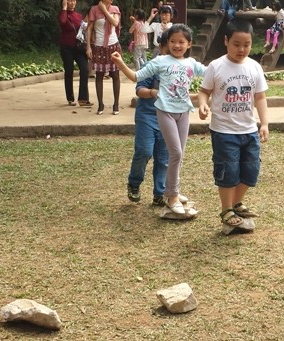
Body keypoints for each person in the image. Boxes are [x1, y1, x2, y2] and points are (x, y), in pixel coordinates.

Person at [111, 24, 206, 215]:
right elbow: (136, 77)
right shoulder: (160, 61)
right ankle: (171, 196)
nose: (177, 45)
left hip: (184, 113)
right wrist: (121, 63)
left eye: (181, 42)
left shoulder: (191, 63)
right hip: (165, 112)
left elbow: (212, 73)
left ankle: (172, 192)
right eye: (173, 41)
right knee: (175, 153)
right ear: (166, 43)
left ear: (189, 44)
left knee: (177, 156)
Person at [197, 19, 270, 233]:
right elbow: (204, 92)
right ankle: (226, 209)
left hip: (248, 130)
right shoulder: (216, 66)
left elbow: (260, 97)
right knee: (228, 171)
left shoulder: (254, 67)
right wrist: (203, 105)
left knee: (251, 170)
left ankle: (236, 203)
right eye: (236, 44)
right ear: (226, 41)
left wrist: (264, 123)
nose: (242, 49)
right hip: (223, 131)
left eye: (246, 44)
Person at [127, 31, 169, 206]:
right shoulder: (153, 65)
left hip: (169, 119)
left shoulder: (183, 68)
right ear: (161, 47)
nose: (176, 48)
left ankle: (159, 193)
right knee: (144, 151)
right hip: (148, 117)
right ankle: (134, 183)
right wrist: (153, 92)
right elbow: (139, 89)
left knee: (164, 158)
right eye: (170, 45)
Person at [86, 0, 122, 116]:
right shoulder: (94, 10)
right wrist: (88, 47)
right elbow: (89, 29)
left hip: (113, 45)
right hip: (99, 46)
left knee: (115, 74)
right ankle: (100, 104)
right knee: (99, 75)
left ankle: (116, 104)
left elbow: (115, 23)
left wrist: (105, 10)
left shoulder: (114, 9)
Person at [58, 0, 93, 107]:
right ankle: (70, 98)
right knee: (69, 71)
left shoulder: (78, 15)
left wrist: (88, 46)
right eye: (69, 1)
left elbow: (84, 30)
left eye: (74, 0)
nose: (72, 3)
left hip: (79, 47)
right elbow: (63, 22)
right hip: (66, 47)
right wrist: (64, 7)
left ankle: (83, 98)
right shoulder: (62, 14)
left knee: (85, 69)